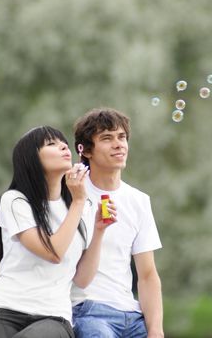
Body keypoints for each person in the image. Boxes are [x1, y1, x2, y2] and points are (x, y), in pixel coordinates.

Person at [0, 126, 116, 338]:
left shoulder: (80, 208)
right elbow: (53, 253)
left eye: (63, 143)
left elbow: (83, 279)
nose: (64, 146)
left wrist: (99, 231)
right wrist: (78, 201)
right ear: (32, 160)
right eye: (51, 144)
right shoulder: (15, 200)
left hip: (53, 318)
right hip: (2, 311)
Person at [71, 109, 164, 338]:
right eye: (107, 138)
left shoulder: (139, 201)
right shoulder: (71, 194)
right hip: (87, 310)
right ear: (86, 150)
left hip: (131, 314)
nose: (118, 144)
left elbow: (148, 274)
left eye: (121, 137)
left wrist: (155, 330)